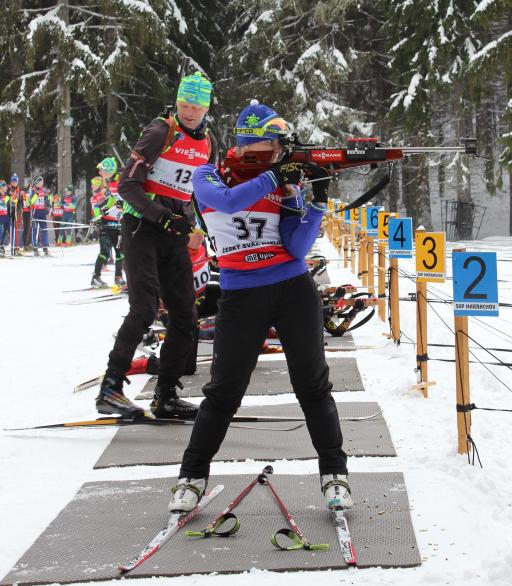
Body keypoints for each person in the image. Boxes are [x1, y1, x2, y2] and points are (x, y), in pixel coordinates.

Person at [169, 100, 353, 513]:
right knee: (223, 391)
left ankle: (335, 473)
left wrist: (317, 200)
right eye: (273, 146)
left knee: (313, 385)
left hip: (292, 290)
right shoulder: (208, 176)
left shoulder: (281, 185)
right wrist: (273, 176)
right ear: (252, 145)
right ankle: (191, 477)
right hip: (240, 294)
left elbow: (296, 246)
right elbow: (228, 203)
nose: (280, 155)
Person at [95, 71, 217, 420]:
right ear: (177, 102)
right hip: (141, 229)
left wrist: (197, 226)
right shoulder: (161, 131)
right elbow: (126, 185)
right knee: (145, 308)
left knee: (185, 315)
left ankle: (165, 394)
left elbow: (199, 191)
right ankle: (111, 387)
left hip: (175, 233)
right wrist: (160, 215)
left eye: (196, 106)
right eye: (184, 104)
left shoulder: (208, 142)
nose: (189, 111)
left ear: (206, 108)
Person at [90, 176, 124, 286]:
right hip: (106, 229)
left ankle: (118, 278)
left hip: (118, 229)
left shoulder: (126, 199)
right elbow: (96, 207)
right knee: (104, 253)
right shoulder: (110, 198)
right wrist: (98, 220)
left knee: (120, 253)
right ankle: (96, 277)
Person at [29, 176, 50, 256]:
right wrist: (36, 194)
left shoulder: (43, 191)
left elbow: (47, 201)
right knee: (35, 230)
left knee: (44, 229)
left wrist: (49, 203)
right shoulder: (32, 190)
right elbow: (31, 201)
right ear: (37, 183)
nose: (42, 183)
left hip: (42, 212)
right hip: (35, 212)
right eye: (40, 182)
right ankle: (35, 247)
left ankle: (45, 247)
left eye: (42, 182)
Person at [7, 174, 22, 255]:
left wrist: (19, 207)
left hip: (16, 210)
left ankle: (16, 247)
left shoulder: (18, 189)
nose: (15, 183)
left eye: (16, 181)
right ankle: (10, 246)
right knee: (10, 229)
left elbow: (19, 200)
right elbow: (5, 198)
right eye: (13, 181)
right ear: (11, 181)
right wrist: (11, 199)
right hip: (9, 210)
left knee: (16, 229)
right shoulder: (8, 188)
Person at [0, 180, 9, 256]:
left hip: (6, 216)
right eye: (5, 186)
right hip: (0, 215)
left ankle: (2, 245)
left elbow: (7, 204)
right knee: (0, 230)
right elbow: (3, 203)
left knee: (5, 231)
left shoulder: (6, 196)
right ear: (2, 187)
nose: (6, 188)